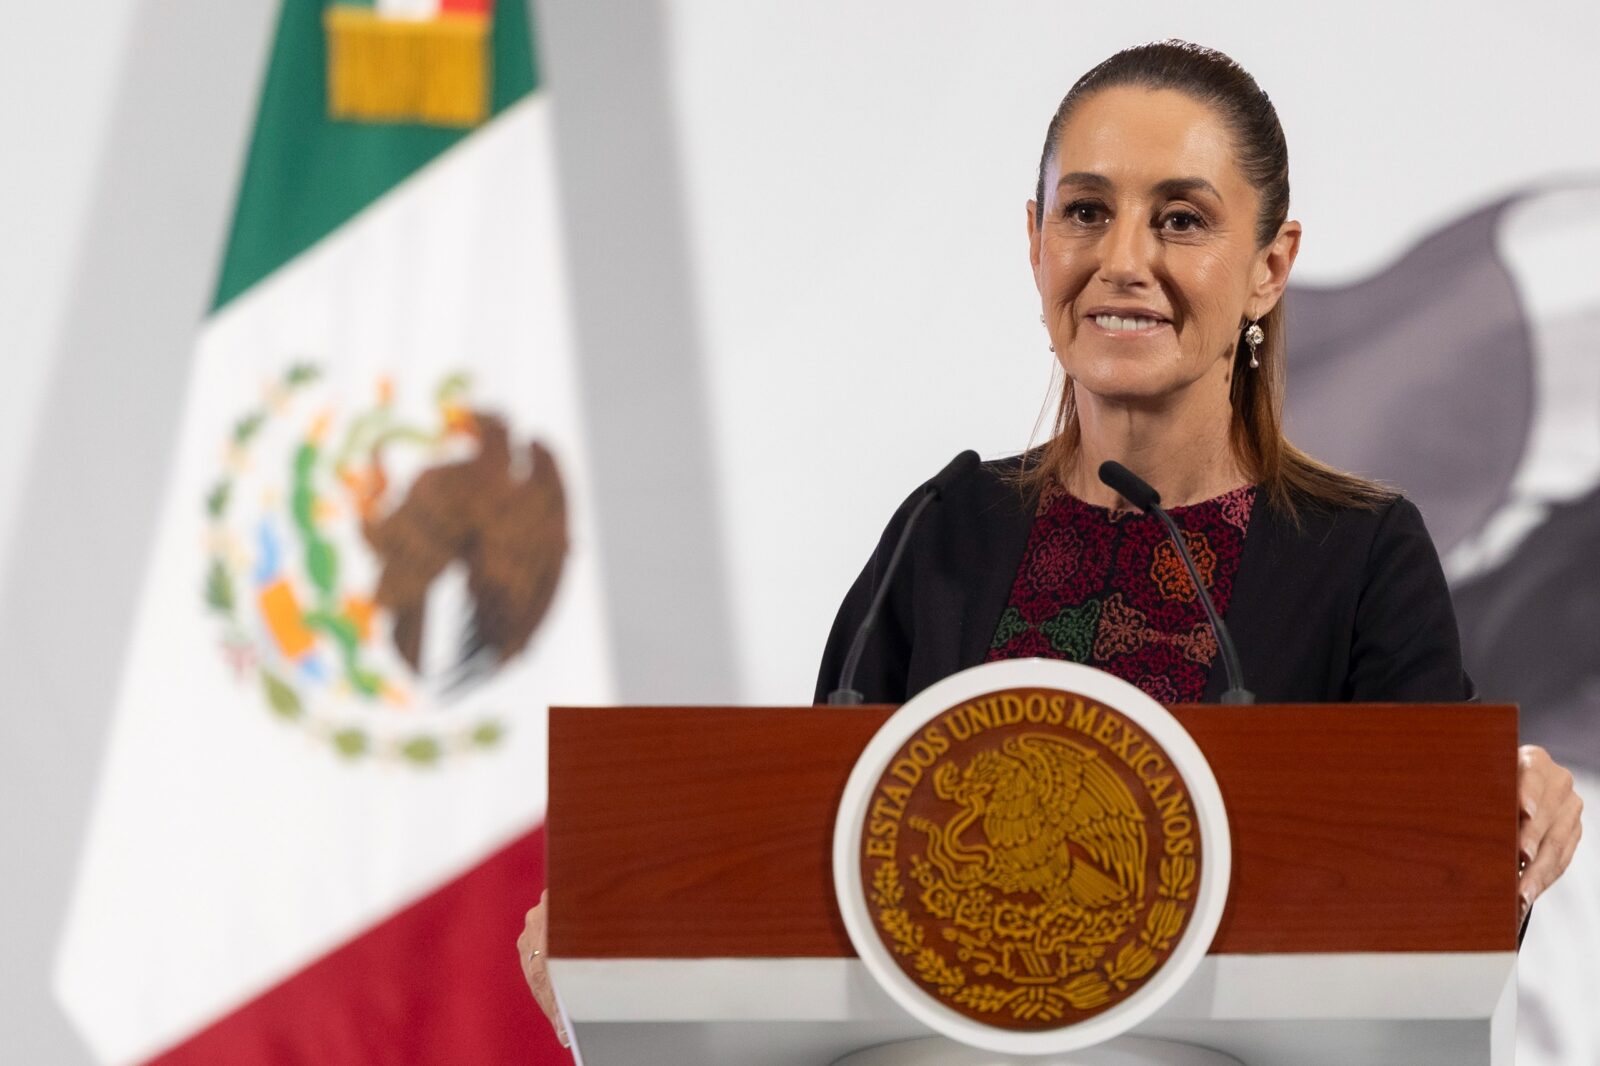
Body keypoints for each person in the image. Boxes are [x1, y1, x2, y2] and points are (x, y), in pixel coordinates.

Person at [520, 38, 1582, 1040]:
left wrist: (1505, 830)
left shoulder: (1361, 555)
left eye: (1180, 219)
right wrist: (625, 939)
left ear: (1269, 266)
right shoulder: (941, 532)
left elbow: (1429, 930)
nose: (1122, 259)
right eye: (1085, 211)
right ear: (1036, 242)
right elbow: (819, 883)